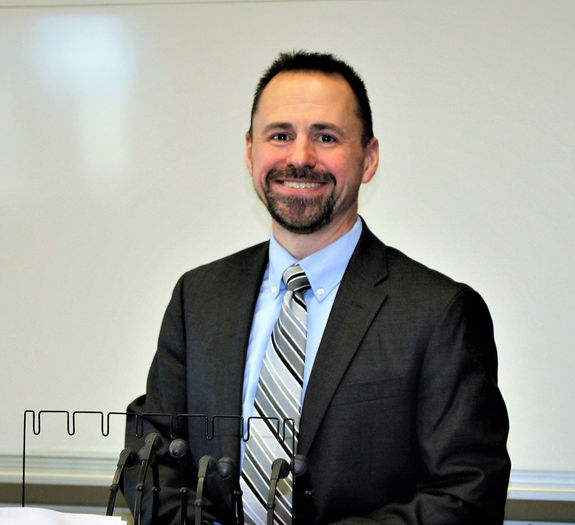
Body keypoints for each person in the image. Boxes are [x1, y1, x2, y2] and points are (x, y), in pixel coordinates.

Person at [122, 50, 510, 524]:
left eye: (325, 137)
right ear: (250, 153)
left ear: (368, 158)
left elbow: (467, 494)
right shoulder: (198, 297)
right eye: (280, 135)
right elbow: (149, 460)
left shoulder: (439, 313)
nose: (300, 157)